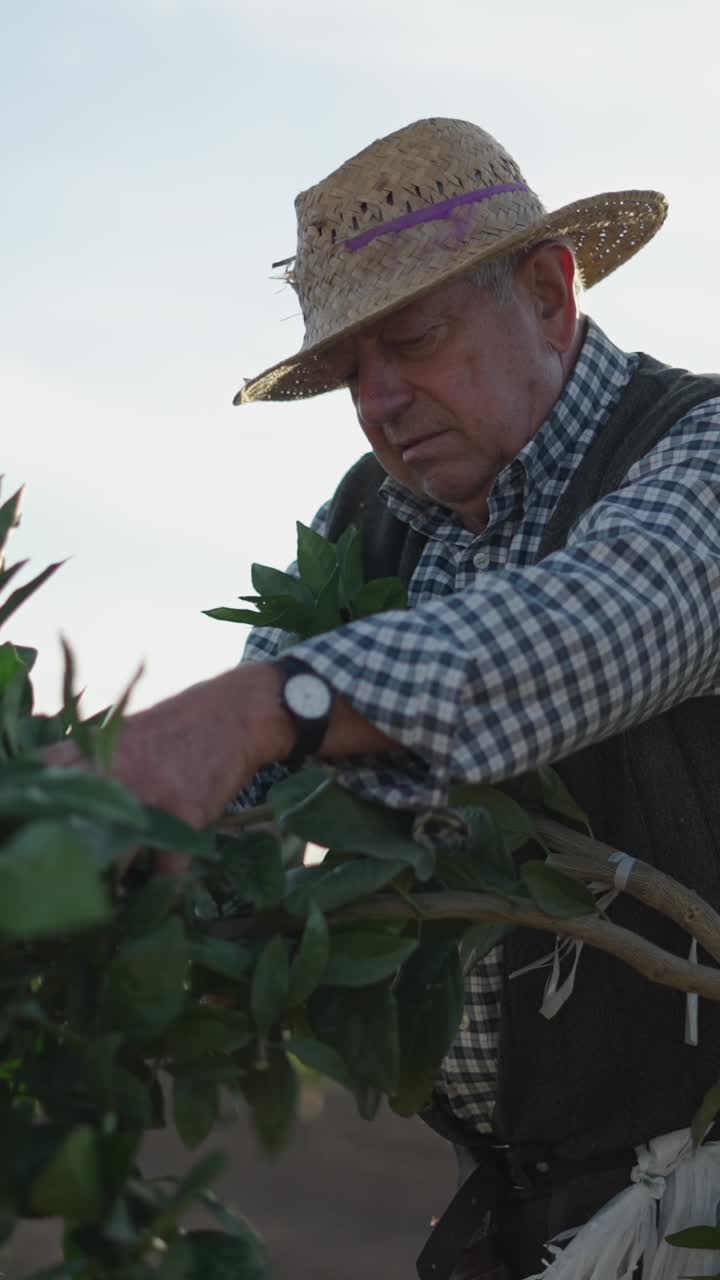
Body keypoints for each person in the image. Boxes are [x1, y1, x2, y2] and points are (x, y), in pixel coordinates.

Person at [56, 119, 720, 1278]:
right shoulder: (371, 519)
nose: (380, 398)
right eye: (350, 368)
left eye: (411, 339)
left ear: (550, 295)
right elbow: (241, 794)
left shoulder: (693, 452)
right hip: (519, 1205)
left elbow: (594, 626)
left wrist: (264, 703)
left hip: (687, 1196)